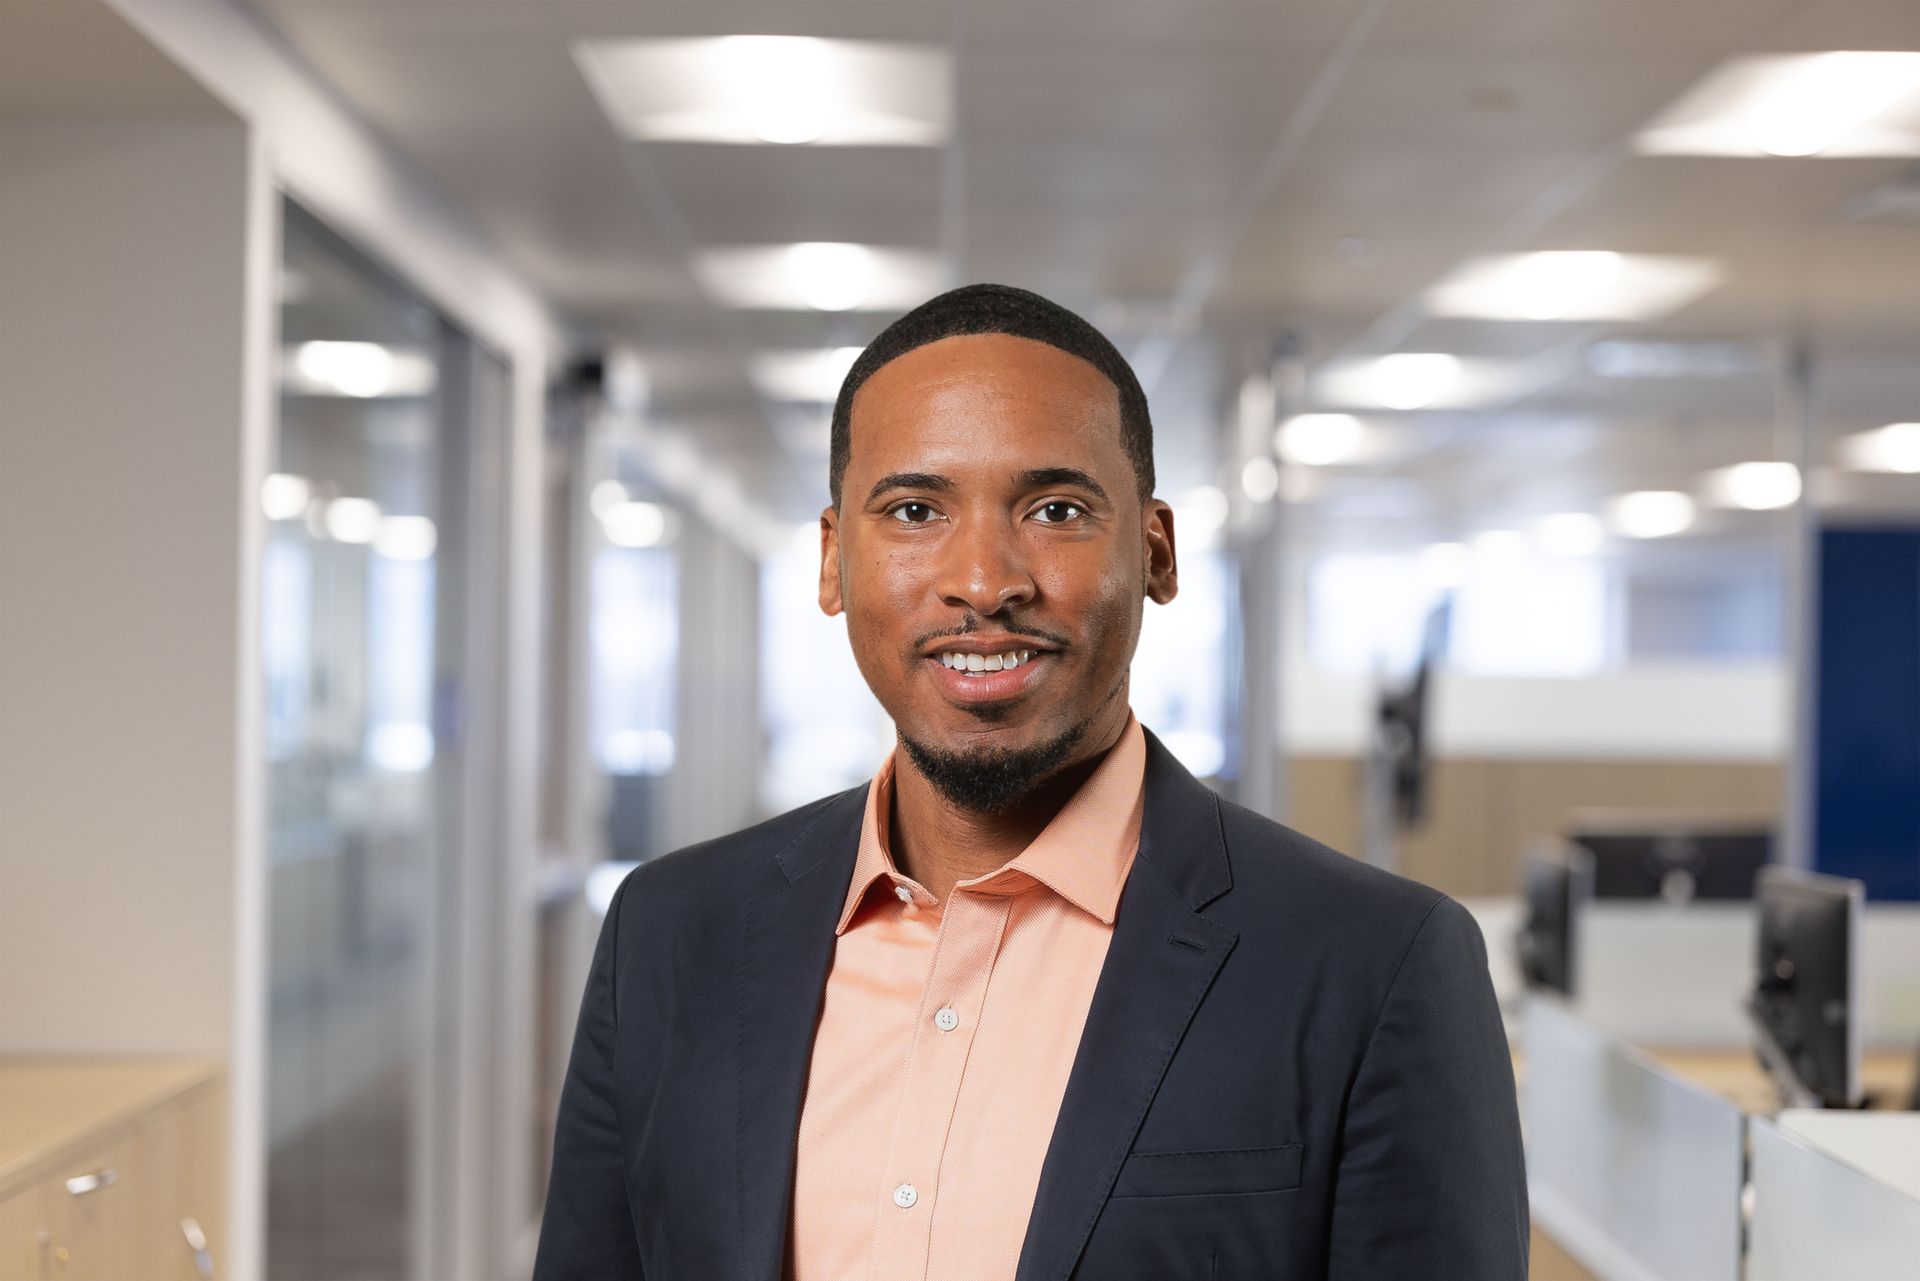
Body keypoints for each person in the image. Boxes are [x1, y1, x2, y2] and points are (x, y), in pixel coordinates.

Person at [533, 283, 1528, 1280]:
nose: (983, 580)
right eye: (916, 510)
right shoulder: (671, 932)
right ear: (834, 562)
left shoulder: (1375, 965)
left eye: (1056, 509)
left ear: (1155, 551)